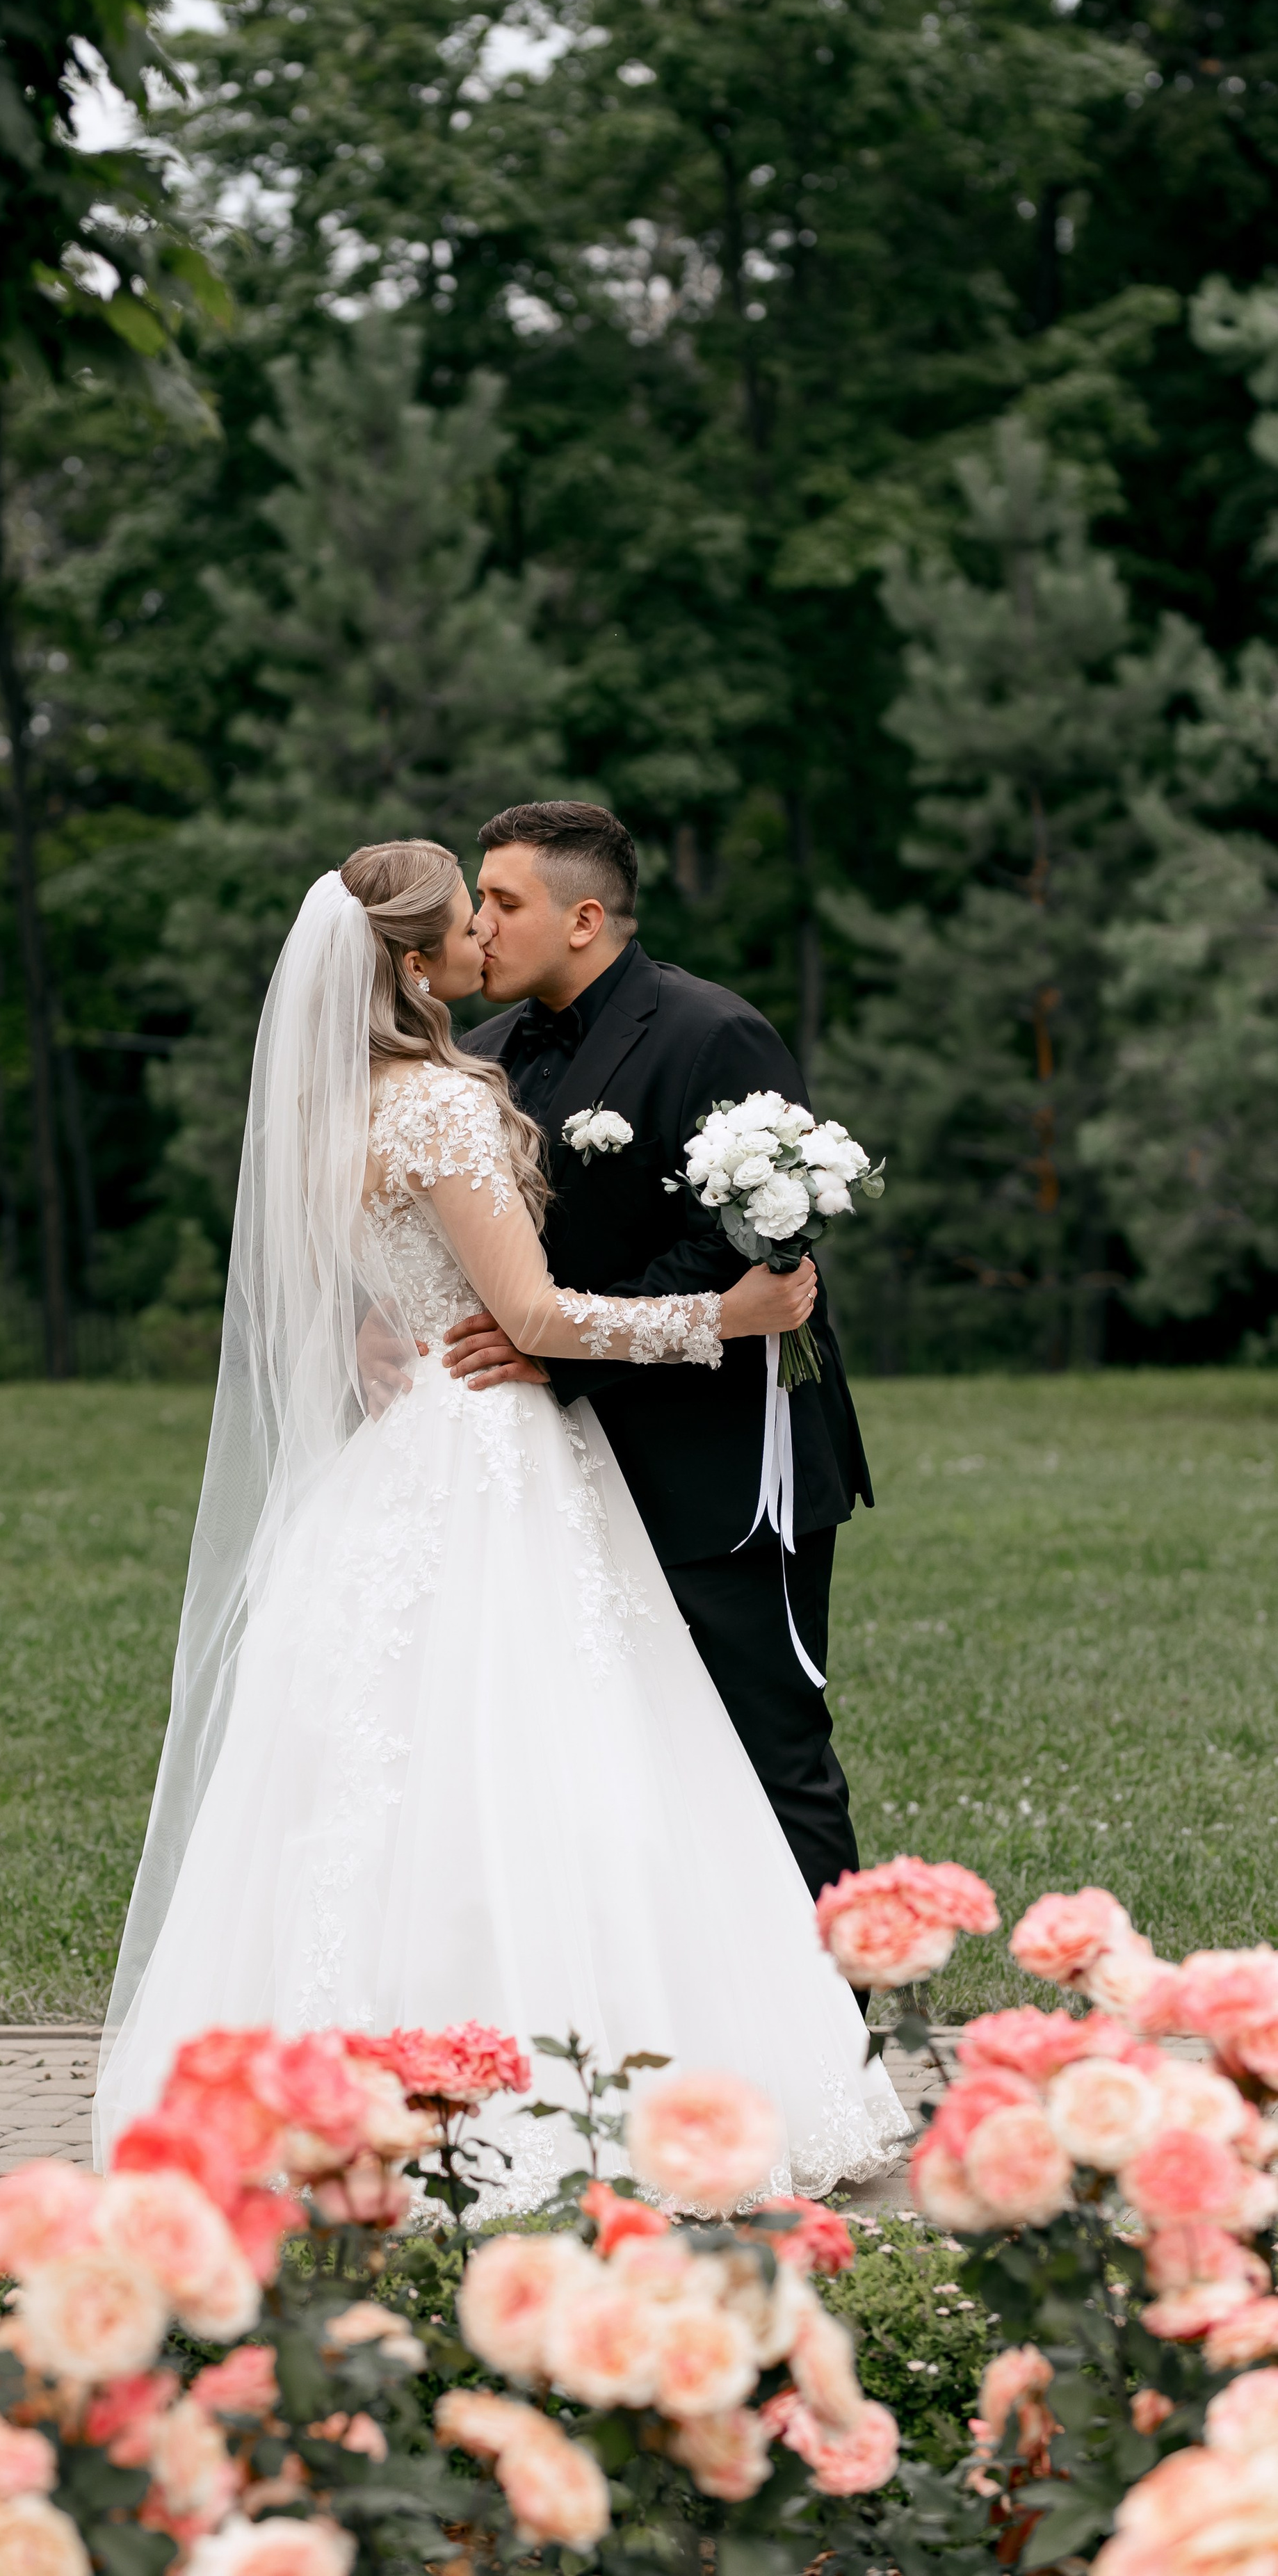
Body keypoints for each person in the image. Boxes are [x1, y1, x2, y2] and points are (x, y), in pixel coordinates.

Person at [92, 841, 907, 2205]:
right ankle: (580, 2091)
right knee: (562, 1765)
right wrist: (729, 1316)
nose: (483, 939)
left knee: (374, 1782)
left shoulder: (328, 1105)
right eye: (466, 921)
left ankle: (337, 2088)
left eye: (499, 909)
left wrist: (373, 1320)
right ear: (413, 964)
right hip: (491, 1454)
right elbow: (525, 1318)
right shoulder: (447, 1102)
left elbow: (371, 1275)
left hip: (401, 1462)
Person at [451, 800, 873, 1915]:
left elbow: (742, 1241)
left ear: (585, 917)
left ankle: (841, 2045)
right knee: (615, 1764)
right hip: (555, 1474)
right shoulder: (480, 1059)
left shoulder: (711, 1033)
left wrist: (556, 1345)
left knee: (767, 1748)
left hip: (723, 1467)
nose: (478, 924)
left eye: (502, 901)